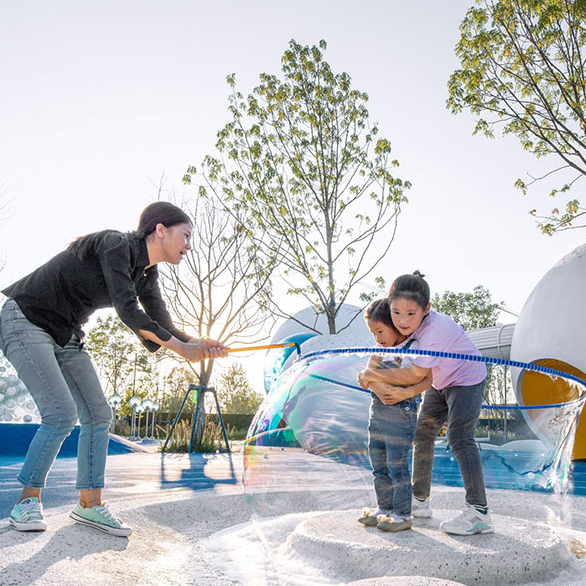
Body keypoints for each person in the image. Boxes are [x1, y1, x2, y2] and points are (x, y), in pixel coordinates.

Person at [0, 202, 228, 537]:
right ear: (160, 230)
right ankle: (26, 503)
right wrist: (181, 348)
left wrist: (198, 342)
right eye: (186, 235)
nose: (189, 245)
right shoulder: (115, 245)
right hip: (26, 319)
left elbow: (160, 323)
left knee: (97, 414)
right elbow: (128, 309)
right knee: (61, 414)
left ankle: (90, 505)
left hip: (66, 331)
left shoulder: (147, 274)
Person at [360, 272, 492, 536]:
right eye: (396, 312)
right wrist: (376, 378)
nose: (402, 320)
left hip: (466, 378)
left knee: (459, 437)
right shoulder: (399, 328)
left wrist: (371, 376)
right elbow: (399, 364)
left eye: (411, 313)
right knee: (422, 435)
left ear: (427, 309)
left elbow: (414, 375)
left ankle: (479, 512)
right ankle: (419, 501)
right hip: (440, 384)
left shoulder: (434, 331)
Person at [356, 298, 431, 532]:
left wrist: (401, 390)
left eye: (380, 331)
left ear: (394, 325)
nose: (377, 338)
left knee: (396, 465)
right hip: (377, 412)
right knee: (379, 464)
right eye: (373, 333)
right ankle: (384, 508)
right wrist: (378, 386)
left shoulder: (414, 347)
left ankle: (402, 514)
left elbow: (424, 377)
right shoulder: (378, 351)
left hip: (401, 412)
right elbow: (365, 376)